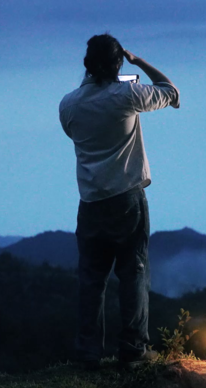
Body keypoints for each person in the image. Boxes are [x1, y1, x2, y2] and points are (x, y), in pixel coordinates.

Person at [59, 33, 180, 370]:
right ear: (118, 64)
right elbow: (171, 92)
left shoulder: (68, 104)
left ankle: (88, 354)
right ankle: (133, 350)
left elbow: (74, 131)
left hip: (90, 203)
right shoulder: (128, 95)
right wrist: (138, 61)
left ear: (87, 64)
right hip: (127, 199)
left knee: (91, 281)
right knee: (133, 273)